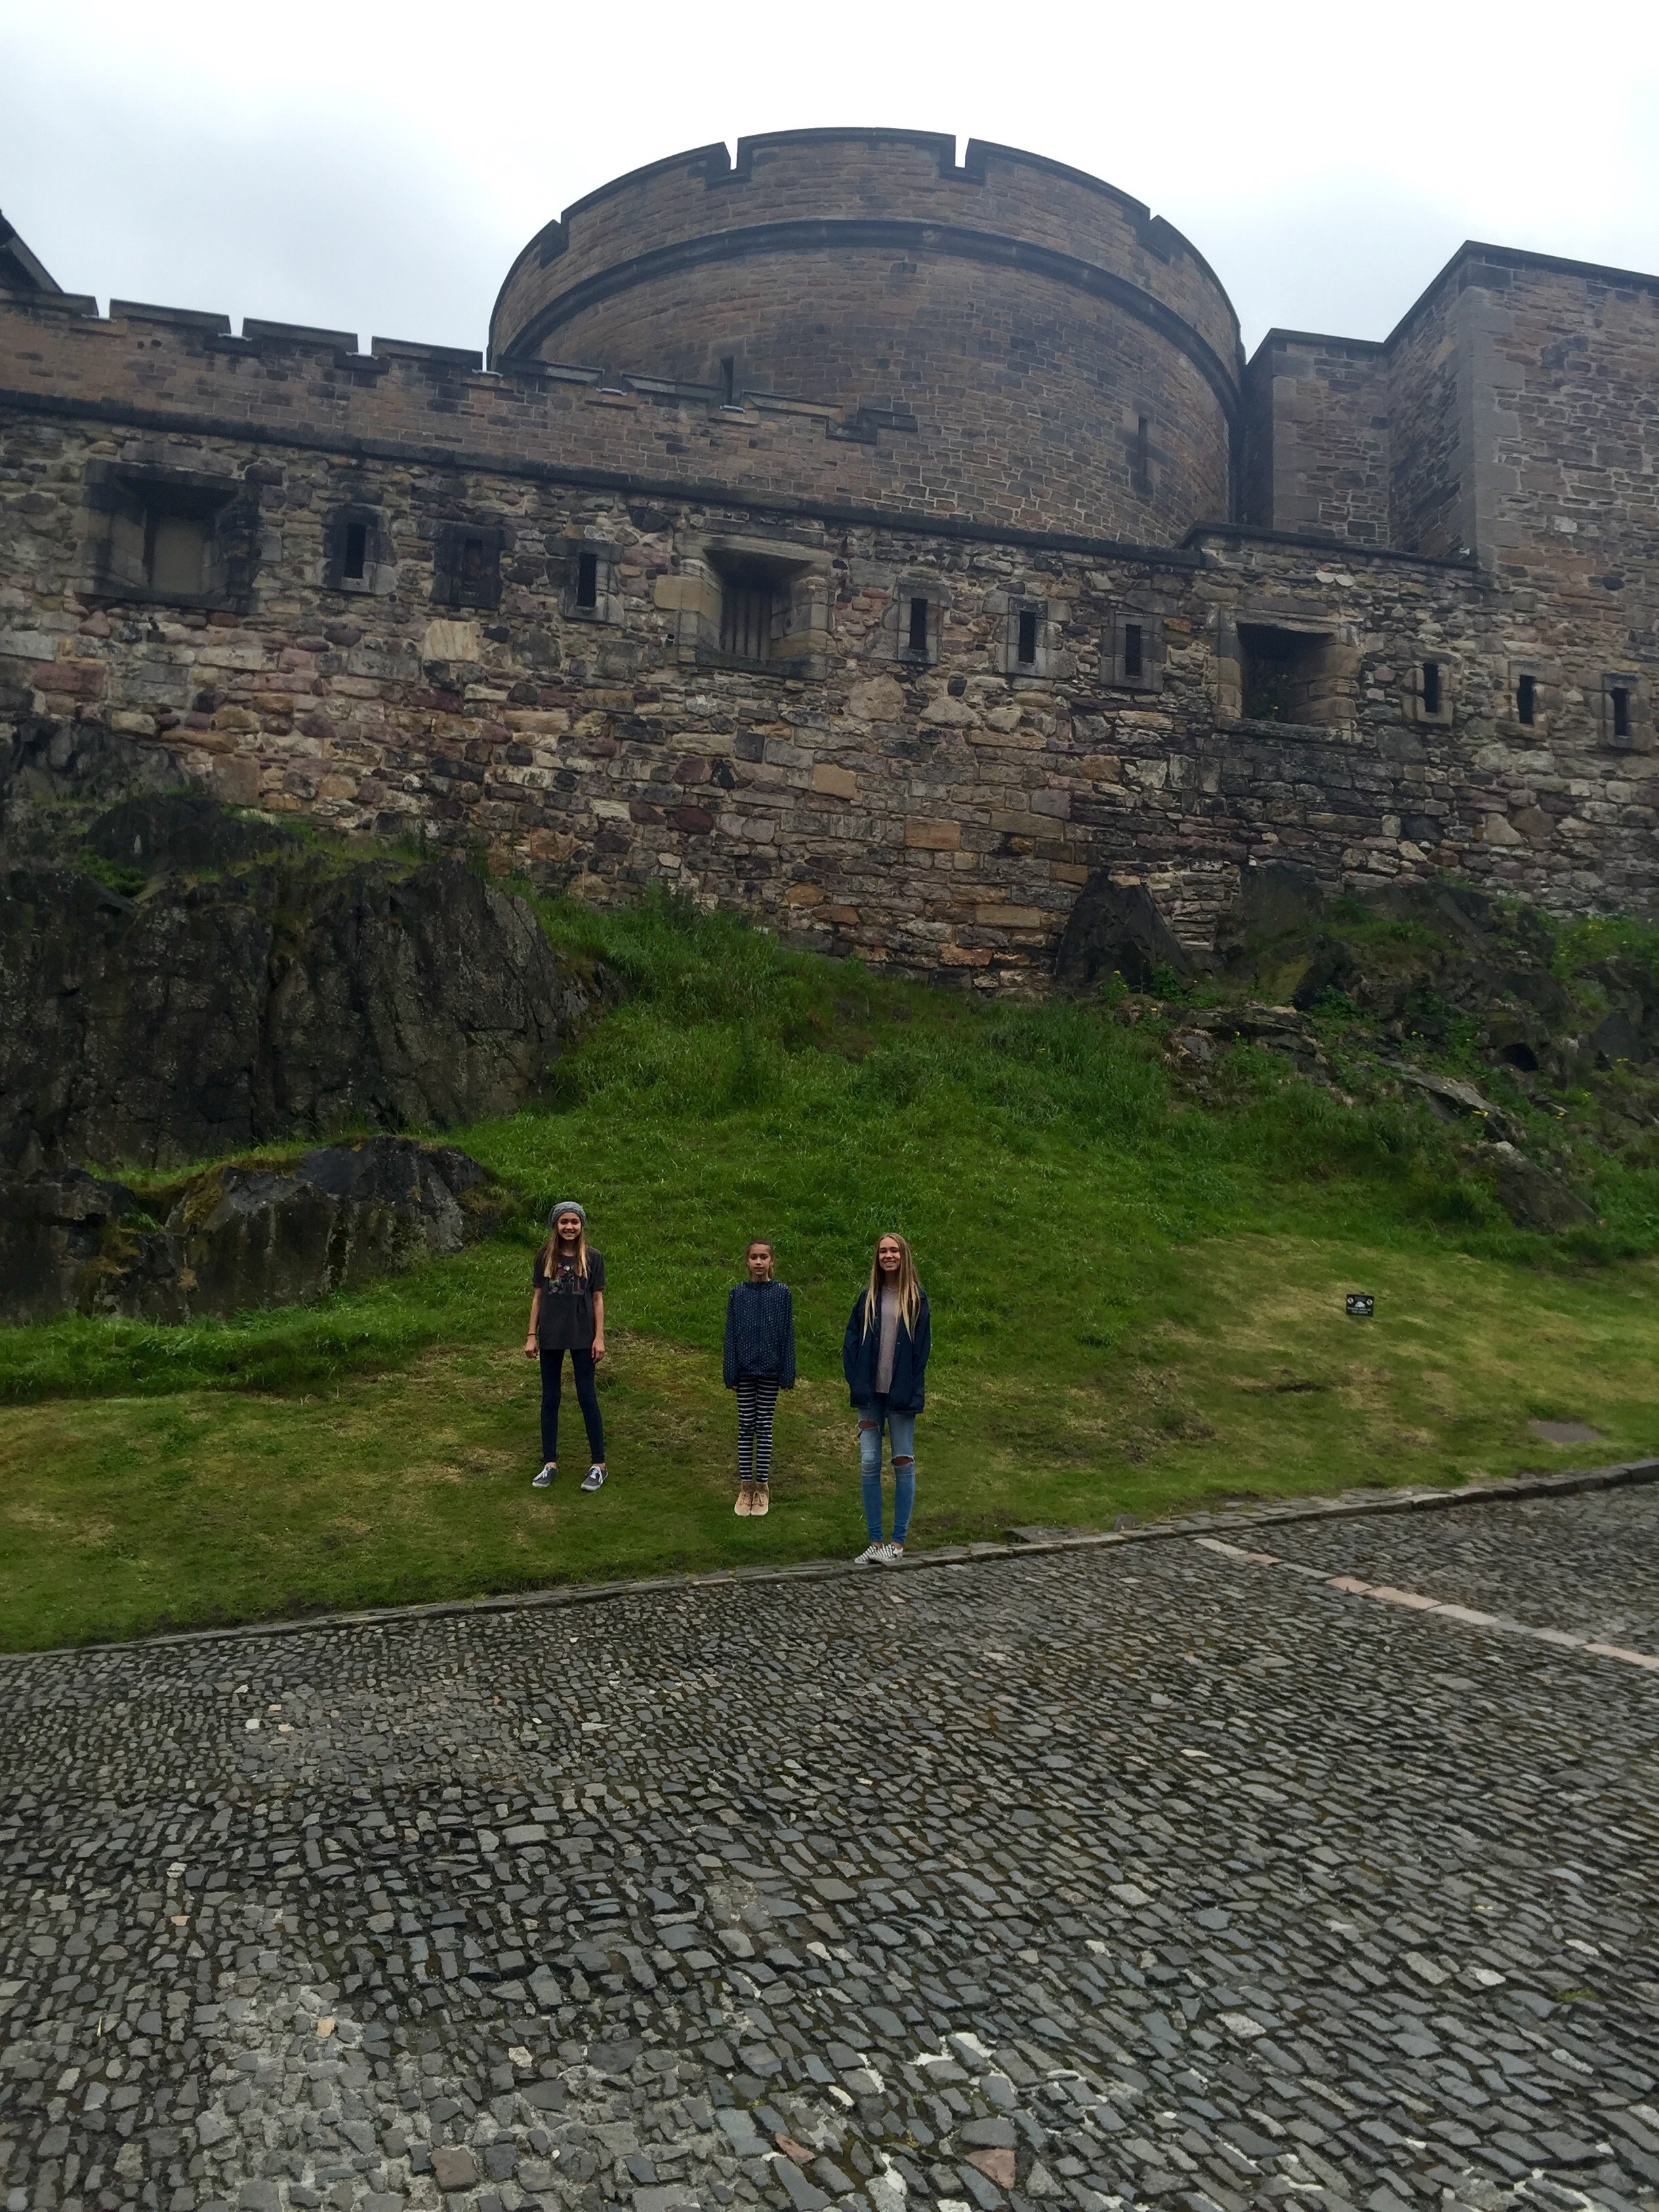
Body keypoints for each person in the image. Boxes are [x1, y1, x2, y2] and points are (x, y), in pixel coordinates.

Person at [842, 1231, 930, 1563]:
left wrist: (910, 1386)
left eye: (894, 1250)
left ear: (903, 1256)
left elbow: (921, 1351)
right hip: (870, 1394)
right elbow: (851, 1340)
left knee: (903, 1462)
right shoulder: (868, 1297)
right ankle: (875, 1541)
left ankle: (897, 1542)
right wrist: (855, 1377)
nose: (888, 1256)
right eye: (883, 1251)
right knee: (869, 1464)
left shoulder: (916, 1299)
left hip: (901, 1394)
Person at [523, 1202, 608, 1491]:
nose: (569, 1227)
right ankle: (550, 1463)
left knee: (587, 1396)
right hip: (551, 1335)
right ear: (555, 1225)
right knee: (551, 1398)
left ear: (581, 1225)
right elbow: (538, 1297)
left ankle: (599, 1465)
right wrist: (531, 1335)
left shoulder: (593, 1258)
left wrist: (599, 1337)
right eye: (564, 1222)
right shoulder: (545, 1257)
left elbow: (597, 1300)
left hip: (583, 1335)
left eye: (574, 1221)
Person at [723, 1239, 796, 1517]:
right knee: (745, 1426)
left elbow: (787, 1334)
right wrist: (730, 1370)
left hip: (770, 1370)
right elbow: (731, 1334)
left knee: (764, 1426)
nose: (758, 1262)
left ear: (771, 1261)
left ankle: (762, 1488)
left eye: (764, 1257)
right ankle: (746, 1487)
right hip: (744, 1370)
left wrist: (787, 1372)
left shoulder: (782, 1293)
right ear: (747, 1261)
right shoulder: (738, 1294)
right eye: (754, 1257)